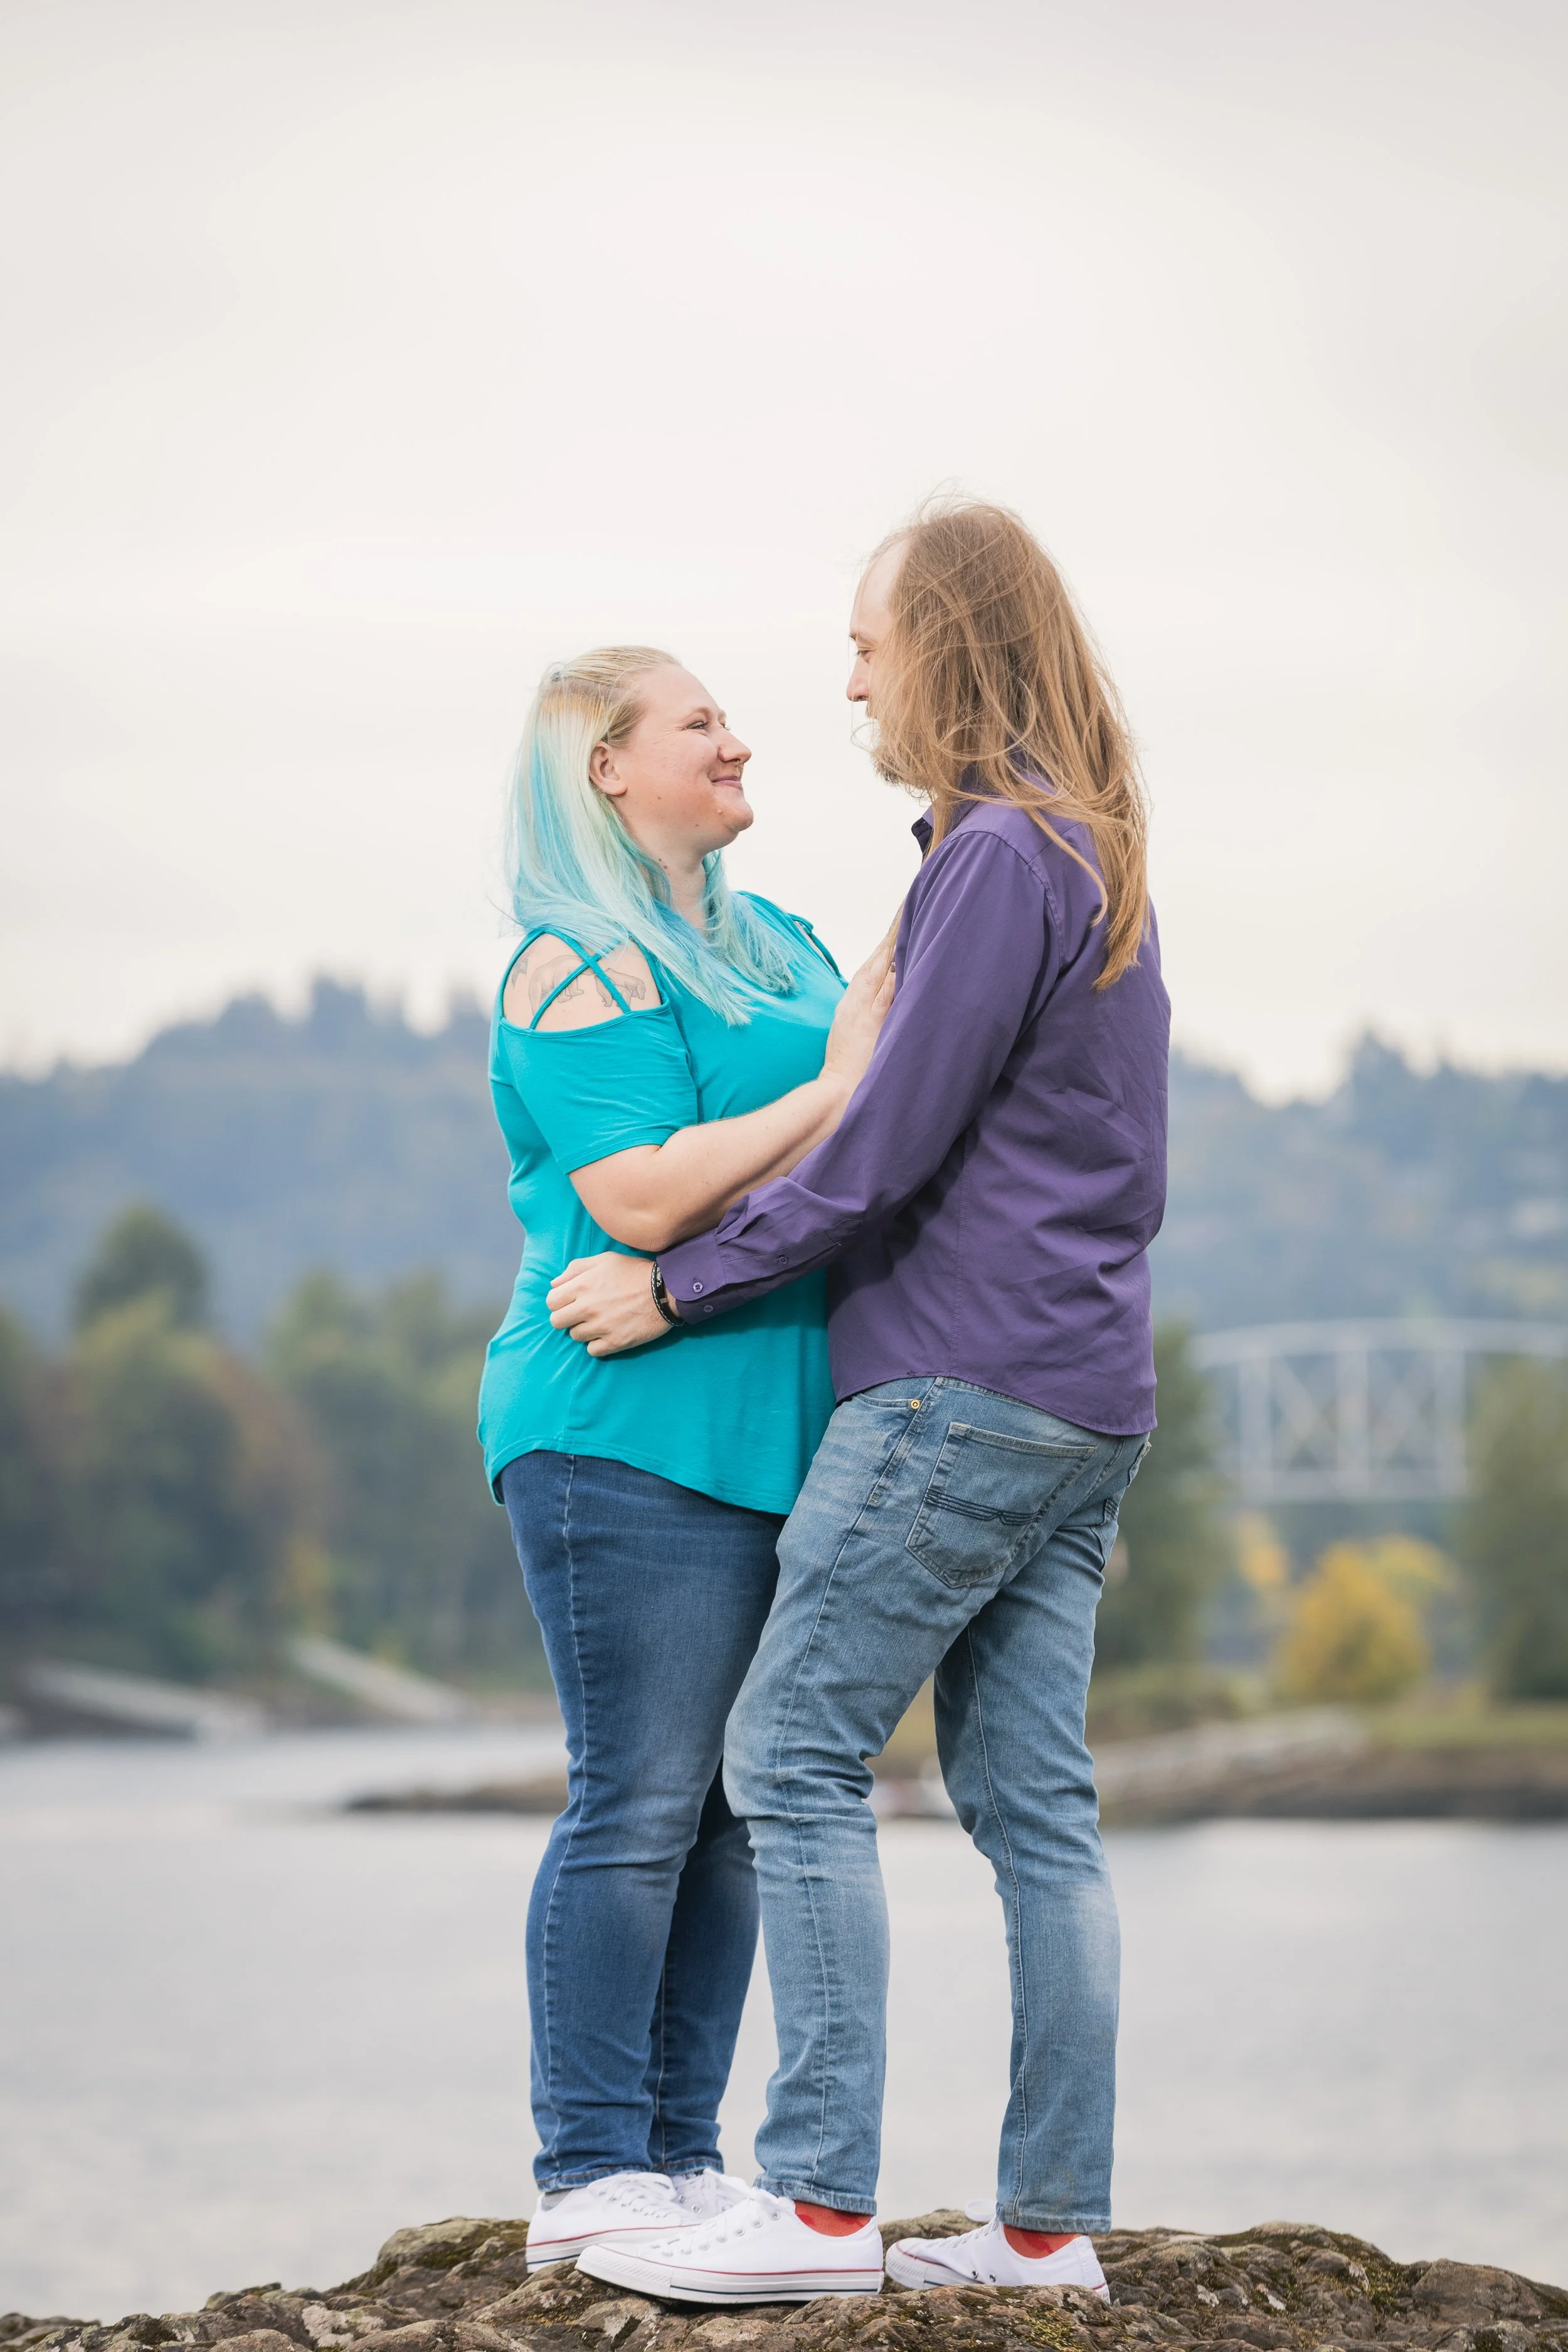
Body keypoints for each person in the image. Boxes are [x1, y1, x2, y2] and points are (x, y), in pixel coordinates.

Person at [548, 505, 1171, 2306]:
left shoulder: (995, 860)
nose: (848, 677)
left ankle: (814, 2208)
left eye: (868, 640)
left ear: (949, 646)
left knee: (792, 1756)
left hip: (959, 1392)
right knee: (1036, 1811)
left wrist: (679, 1283)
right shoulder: (1096, 851)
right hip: (1085, 1395)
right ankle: (1045, 2236)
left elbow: (883, 1146)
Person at [478, 646, 893, 2274]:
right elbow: (642, 1197)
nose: (737, 740)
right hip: (618, 1429)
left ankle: (677, 2154)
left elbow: (879, 1101)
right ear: (603, 766)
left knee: (727, 1804)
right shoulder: (570, 963)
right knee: (640, 1796)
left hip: (773, 1429)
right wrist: (841, 1087)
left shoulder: (773, 936)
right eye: (698, 721)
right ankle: (587, 2165)